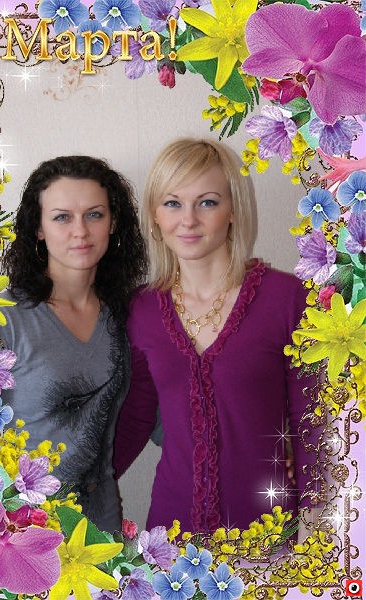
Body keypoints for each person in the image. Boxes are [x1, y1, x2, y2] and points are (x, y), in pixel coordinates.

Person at [113, 138, 319, 534]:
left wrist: (318, 512)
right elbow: (137, 417)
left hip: (269, 529)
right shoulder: (141, 310)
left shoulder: (288, 298)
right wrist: (72, 489)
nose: (188, 220)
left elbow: (309, 418)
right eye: (172, 203)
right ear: (154, 215)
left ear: (233, 210)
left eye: (207, 202)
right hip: (171, 535)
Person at [0, 155, 147, 533]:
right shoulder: (1, 319)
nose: (80, 231)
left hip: (101, 535)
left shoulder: (127, 316)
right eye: (62, 217)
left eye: (94, 214)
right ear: (38, 228)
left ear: (113, 223)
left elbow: (157, 408)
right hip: (19, 537)